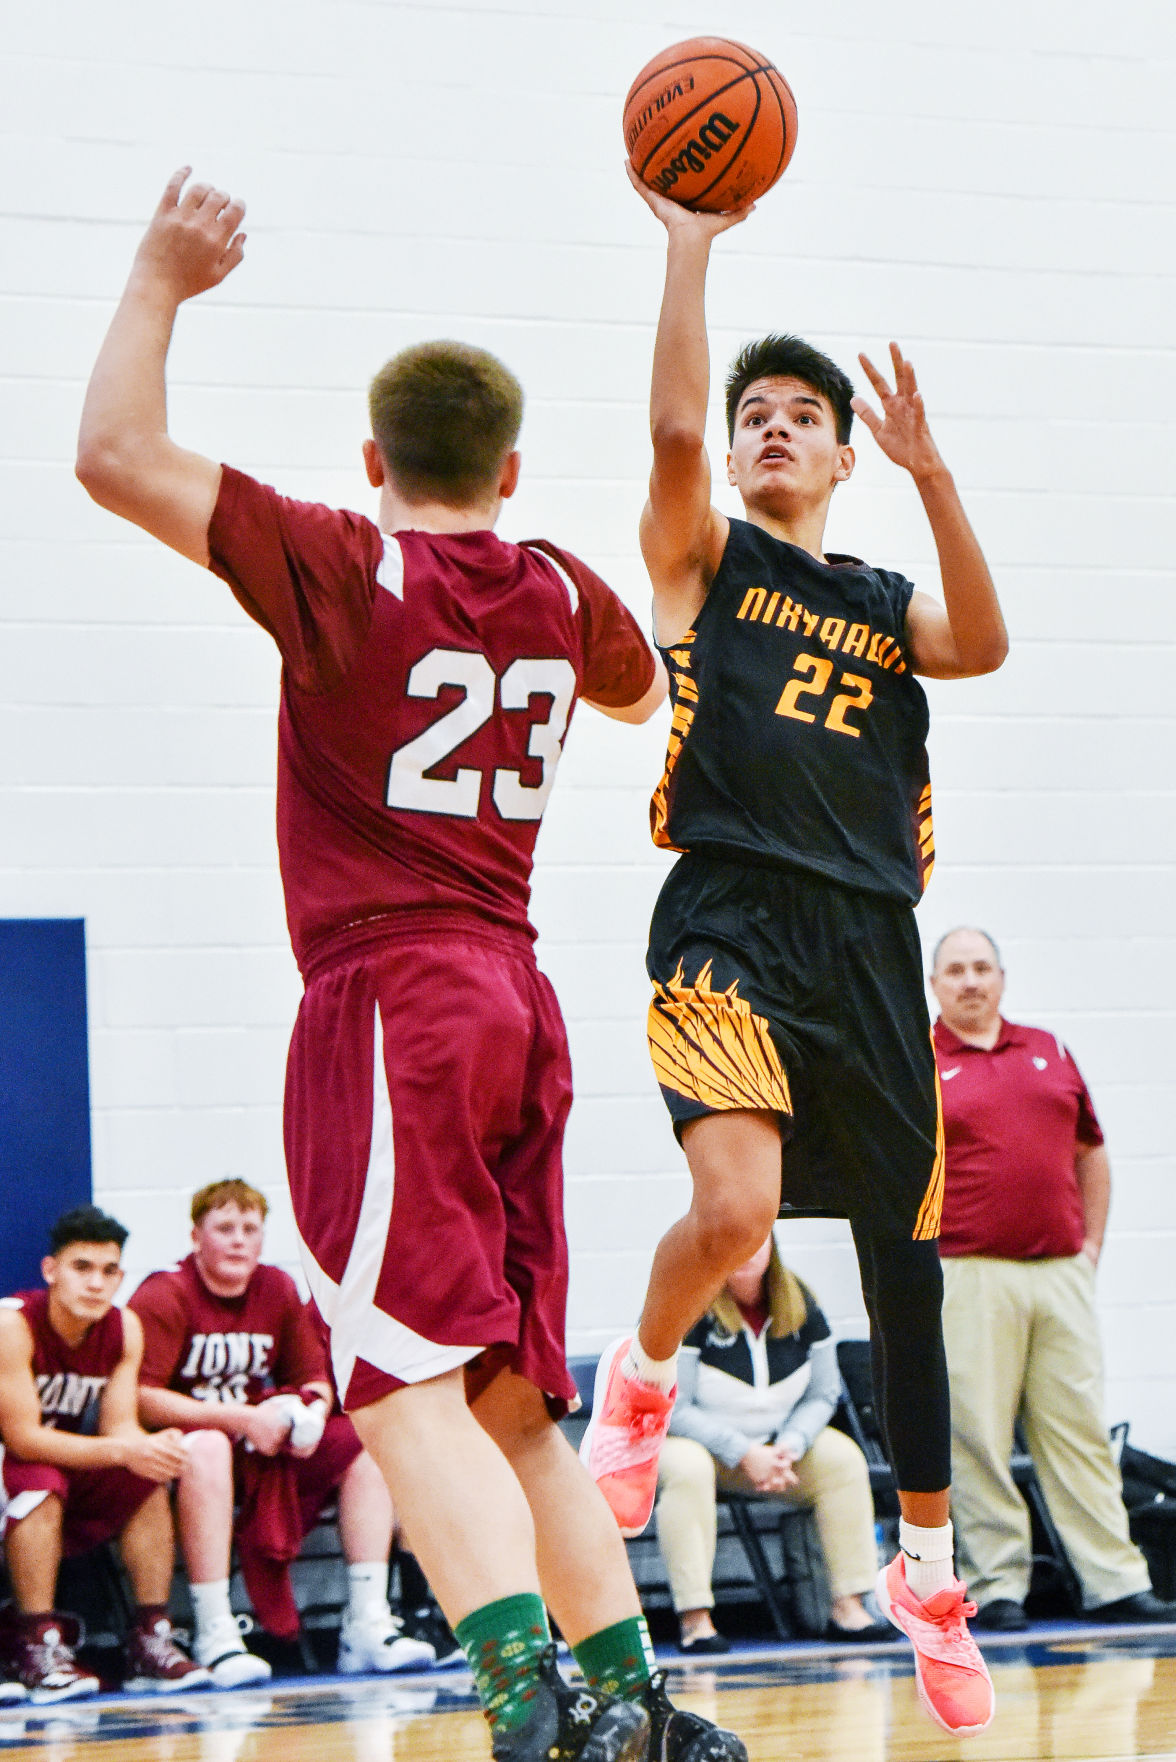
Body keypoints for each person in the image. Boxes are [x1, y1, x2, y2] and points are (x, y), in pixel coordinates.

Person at [76, 168, 746, 1762]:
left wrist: (163, 278)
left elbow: (111, 455)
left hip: (393, 1002)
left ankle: (528, 1696)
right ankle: (640, 1711)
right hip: (520, 999)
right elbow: (649, 689)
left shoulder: (345, 561)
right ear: (508, 470)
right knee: (516, 1402)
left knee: (396, 1387)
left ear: (376, 465)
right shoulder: (564, 584)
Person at [581, 167, 1009, 1740]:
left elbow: (988, 642)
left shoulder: (887, 601)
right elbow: (675, 438)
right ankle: (634, 1376)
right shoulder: (710, 563)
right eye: (759, 408)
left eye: (797, 415)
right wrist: (689, 251)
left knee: (906, 1265)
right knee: (740, 1206)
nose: (769, 426)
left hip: (871, 947)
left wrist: (936, 470)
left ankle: (923, 1571)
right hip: (729, 919)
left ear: (840, 450)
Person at [930, 927, 1176, 1630]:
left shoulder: (1050, 1050)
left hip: (1061, 1273)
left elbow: (1090, 1153)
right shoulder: (918, 1059)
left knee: (1081, 1431)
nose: (971, 981)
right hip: (969, 1273)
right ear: (935, 987)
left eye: (982, 968)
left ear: (1002, 978)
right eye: (955, 971)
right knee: (977, 1435)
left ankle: (1115, 1581)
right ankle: (998, 1585)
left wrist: (1091, 1246)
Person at [129, 1179, 433, 1683]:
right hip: (188, 1450)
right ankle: (214, 1630)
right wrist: (241, 1419)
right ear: (194, 1236)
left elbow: (313, 1376)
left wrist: (310, 1412)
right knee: (206, 1448)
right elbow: (143, 1398)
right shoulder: (165, 1293)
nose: (238, 1240)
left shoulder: (276, 1286)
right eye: (224, 1228)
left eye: (250, 1229)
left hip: (258, 1446)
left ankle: (367, 1622)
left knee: (363, 1444)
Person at [0, 1206, 210, 1701]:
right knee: (40, 1483)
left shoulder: (124, 1329)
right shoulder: (14, 1326)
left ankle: (149, 1637)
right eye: (82, 1268)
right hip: (13, 1463)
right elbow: (22, 1438)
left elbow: (119, 1427)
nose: (96, 1283)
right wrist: (124, 1450)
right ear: (51, 1271)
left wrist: (153, 1449)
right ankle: (35, 1642)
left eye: (109, 1271)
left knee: (146, 1478)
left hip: (61, 1460)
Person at [656, 1232, 895, 1651]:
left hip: (777, 1451)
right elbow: (675, 1408)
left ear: (773, 1246)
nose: (747, 1251)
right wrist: (743, 1452)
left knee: (843, 1460)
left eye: (757, 1240)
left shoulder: (801, 1302)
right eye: (737, 1241)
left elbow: (823, 1394)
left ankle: (850, 1608)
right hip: (703, 1447)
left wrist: (790, 1446)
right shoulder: (692, 1302)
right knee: (688, 1467)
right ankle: (696, 1620)